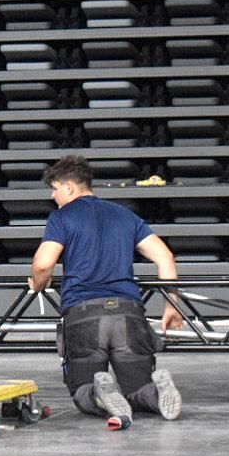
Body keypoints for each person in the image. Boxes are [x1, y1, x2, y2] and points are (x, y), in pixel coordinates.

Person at [29, 155, 185, 430]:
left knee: (81, 391)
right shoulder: (126, 215)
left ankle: (98, 394)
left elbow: (43, 263)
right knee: (138, 389)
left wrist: (39, 283)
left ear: (69, 187)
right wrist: (172, 305)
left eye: (54, 188)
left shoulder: (62, 217)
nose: (53, 196)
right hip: (128, 313)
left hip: (84, 314)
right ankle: (157, 393)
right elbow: (165, 257)